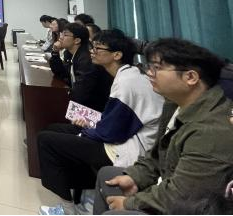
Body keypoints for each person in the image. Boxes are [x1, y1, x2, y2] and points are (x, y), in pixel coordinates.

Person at [93, 38, 233, 215]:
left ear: (190, 77)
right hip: (173, 187)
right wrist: (136, 177)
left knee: (115, 213)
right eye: (149, 66)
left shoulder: (212, 129)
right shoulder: (174, 104)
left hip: (194, 207)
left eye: (157, 68)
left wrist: (130, 203)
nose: (149, 73)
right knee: (107, 175)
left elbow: (183, 196)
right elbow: (157, 156)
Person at [39, 29, 165, 215]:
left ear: (117, 55)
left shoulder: (127, 81)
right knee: (55, 130)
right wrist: (89, 127)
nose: (92, 51)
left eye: (98, 48)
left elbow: (111, 132)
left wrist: (85, 131)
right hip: (122, 138)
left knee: (46, 141)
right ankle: (85, 197)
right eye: (93, 46)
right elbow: (115, 120)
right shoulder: (126, 74)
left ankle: (68, 209)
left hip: (127, 149)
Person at [49, 22, 113, 112]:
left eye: (65, 35)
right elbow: (60, 72)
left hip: (94, 110)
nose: (60, 37)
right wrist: (55, 52)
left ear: (77, 40)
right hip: (83, 103)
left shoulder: (86, 59)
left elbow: (81, 94)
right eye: (61, 34)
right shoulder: (71, 53)